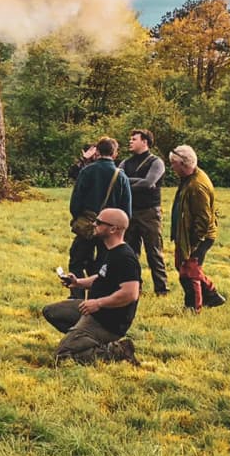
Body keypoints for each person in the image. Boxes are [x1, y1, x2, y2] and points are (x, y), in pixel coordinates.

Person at [43, 207, 141, 364]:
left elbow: (130, 293)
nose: (94, 224)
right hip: (93, 310)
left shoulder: (125, 257)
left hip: (108, 321)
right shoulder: (112, 251)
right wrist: (78, 282)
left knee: (62, 357)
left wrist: (98, 303)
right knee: (51, 311)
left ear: (113, 229)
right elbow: (103, 277)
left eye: (99, 222)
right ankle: (83, 339)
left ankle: (117, 350)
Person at [67, 137, 132, 295]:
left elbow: (75, 201)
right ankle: (99, 295)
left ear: (97, 152)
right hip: (110, 228)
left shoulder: (87, 171)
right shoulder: (121, 176)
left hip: (87, 224)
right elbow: (126, 209)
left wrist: (79, 218)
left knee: (77, 261)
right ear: (115, 153)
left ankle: (77, 298)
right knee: (103, 264)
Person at [168, 145, 226, 313]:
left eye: (173, 163)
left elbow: (203, 218)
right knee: (184, 266)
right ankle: (212, 296)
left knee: (189, 271)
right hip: (186, 234)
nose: (172, 167)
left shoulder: (197, 185)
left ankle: (194, 307)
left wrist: (194, 243)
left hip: (199, 237)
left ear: (184, 164)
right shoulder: (188, 177)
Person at [122, 129, 169, 296]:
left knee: (154, 252)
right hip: (130, 212)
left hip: (149, 213)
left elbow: (149, 183)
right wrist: (136, 182)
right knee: (130, 253)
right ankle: (135, 288)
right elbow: (116, 180)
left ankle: (161, 290)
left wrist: (127, 183)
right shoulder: (126, 162)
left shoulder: (156, 162)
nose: (130, 141)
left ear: (145, 142)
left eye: (134, 139)